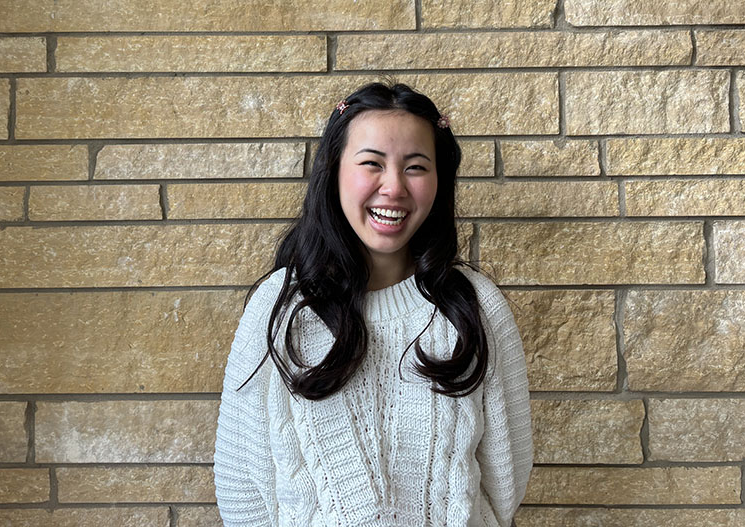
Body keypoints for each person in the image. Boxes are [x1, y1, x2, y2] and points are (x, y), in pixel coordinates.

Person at [213, 82, 532, 526]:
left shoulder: (476, 307)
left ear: (440, 180)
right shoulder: (279, 306)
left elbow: (505, 479)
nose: (394, 187)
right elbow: (242, 486)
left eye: (416, 167)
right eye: (372, 164)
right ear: (335, 170)